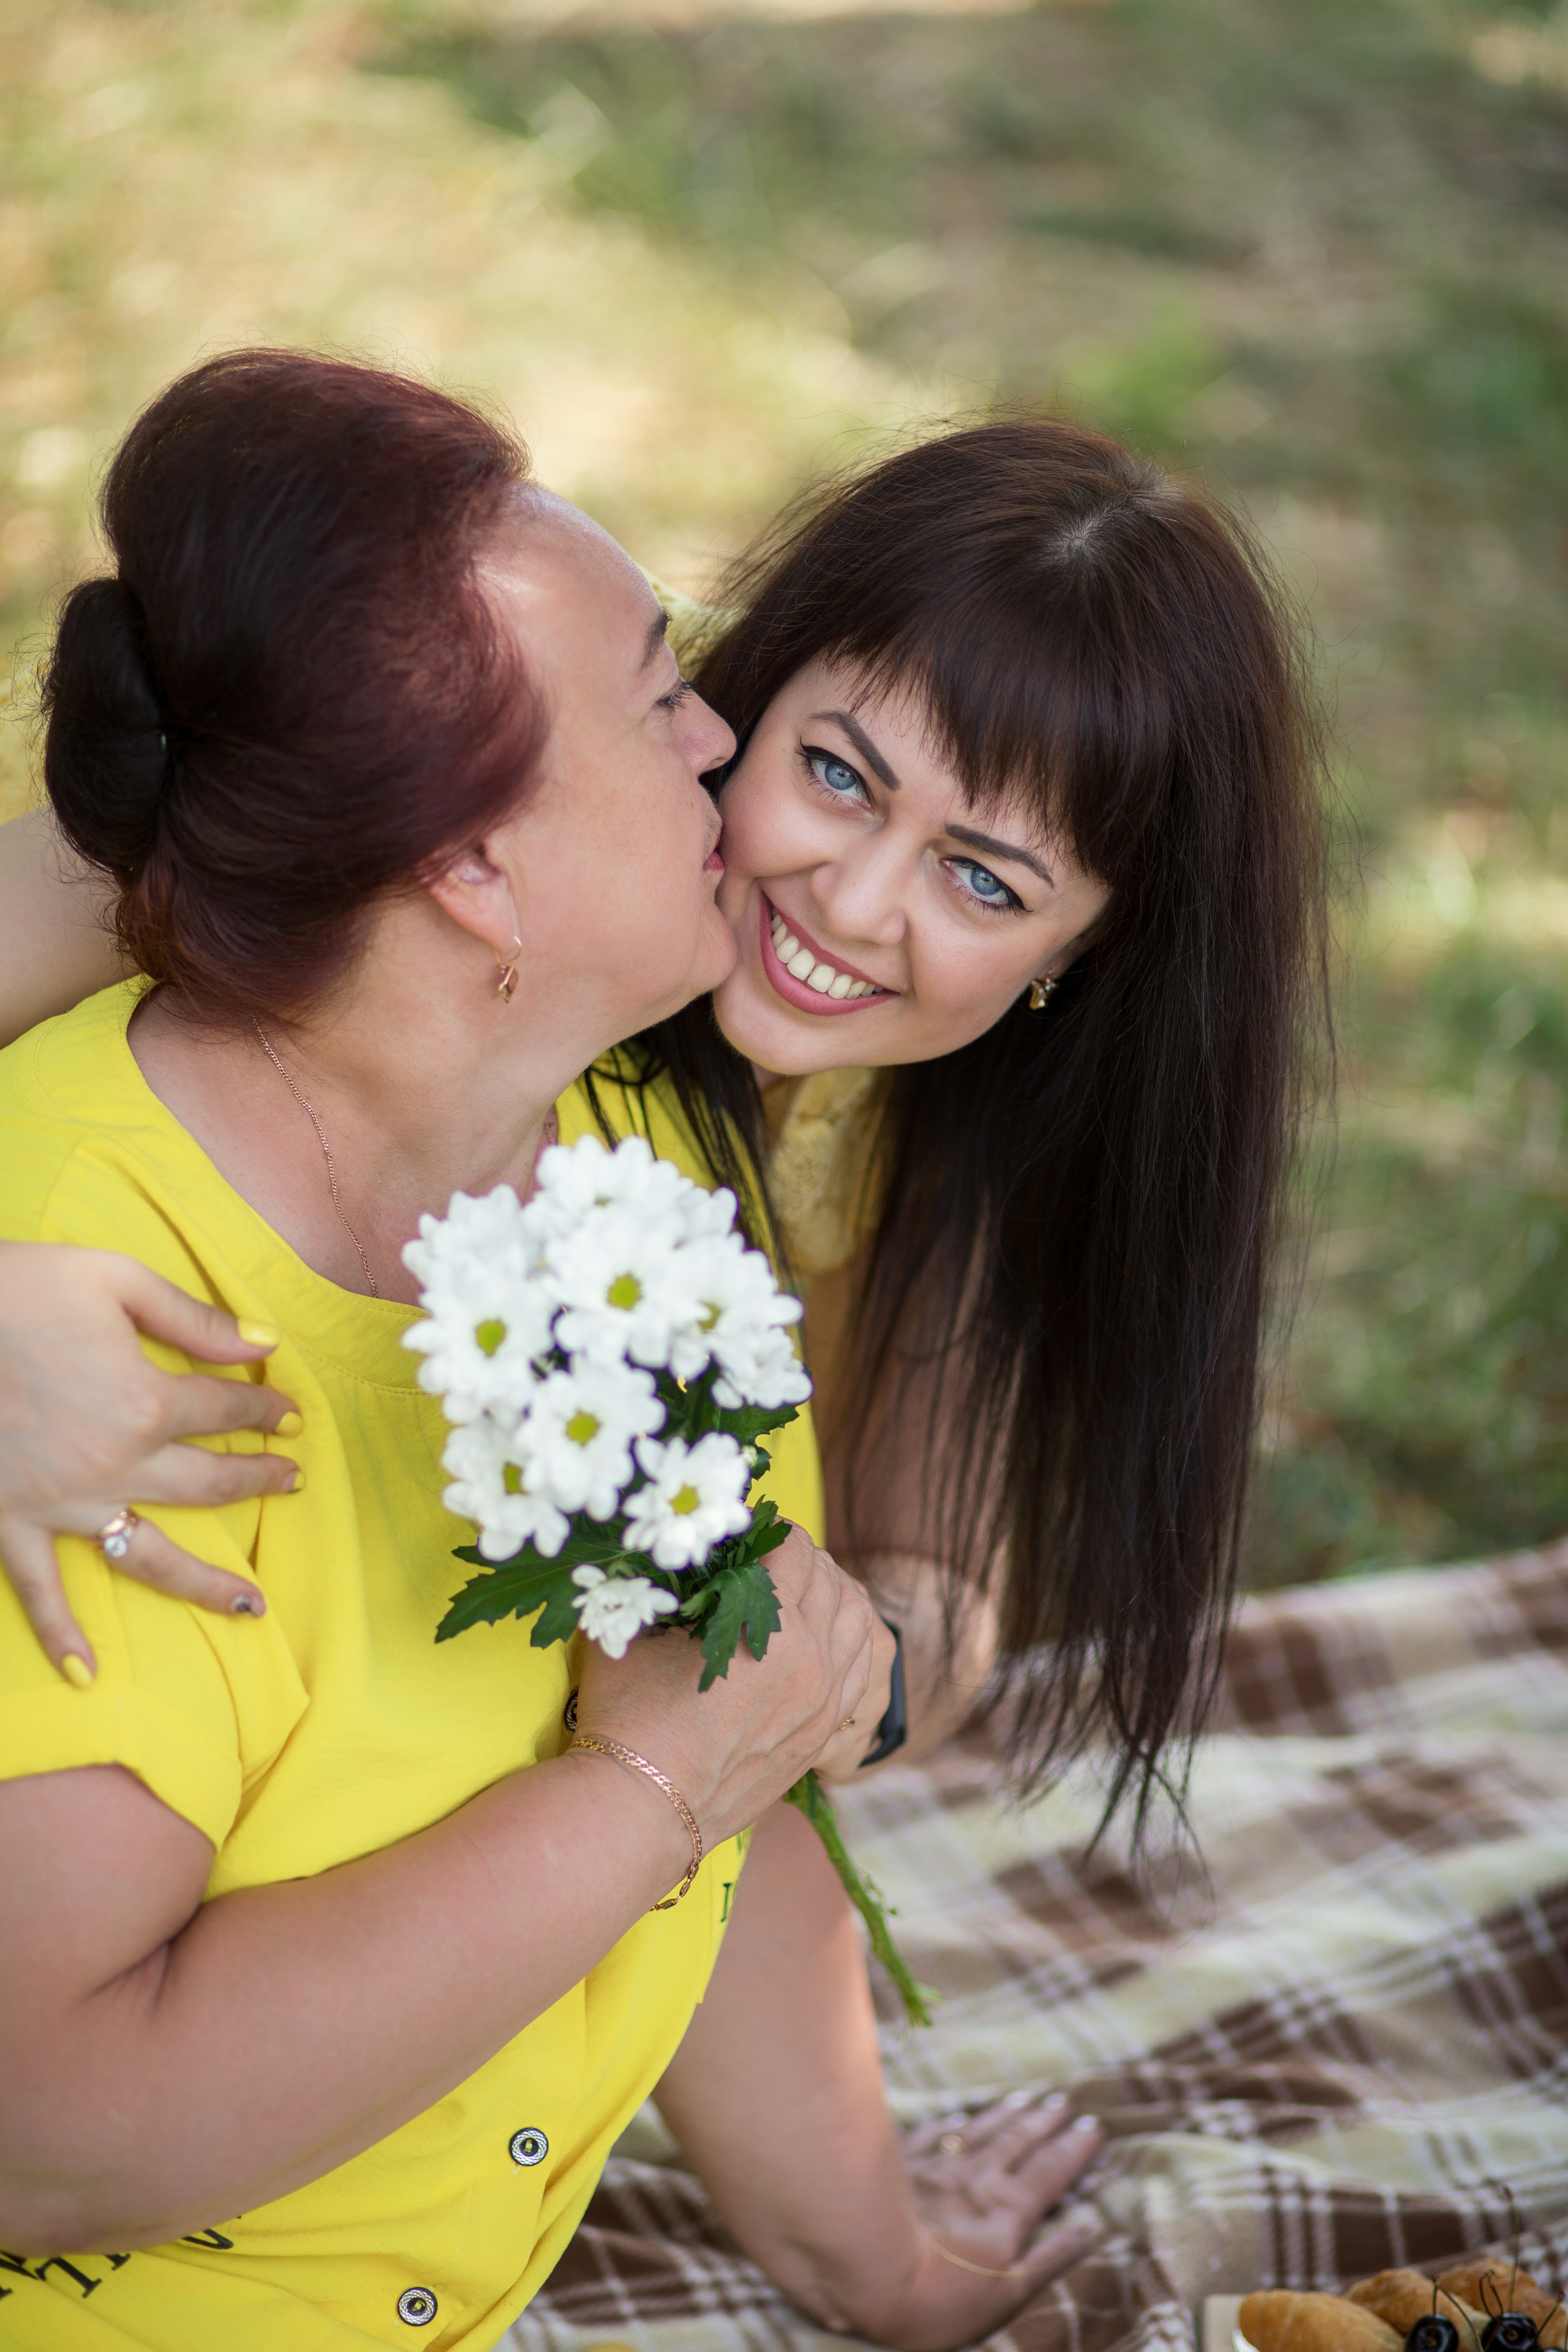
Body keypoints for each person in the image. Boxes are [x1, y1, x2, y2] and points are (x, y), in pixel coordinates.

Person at [0, 352, 1101, 2352]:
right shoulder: (92, 1348)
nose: (726, 749)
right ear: (469, 864)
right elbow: (39, 2139)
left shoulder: (632, 1150)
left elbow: (729, 1723)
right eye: (666, 687)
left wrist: (879, 2257)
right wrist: (647, 1791)